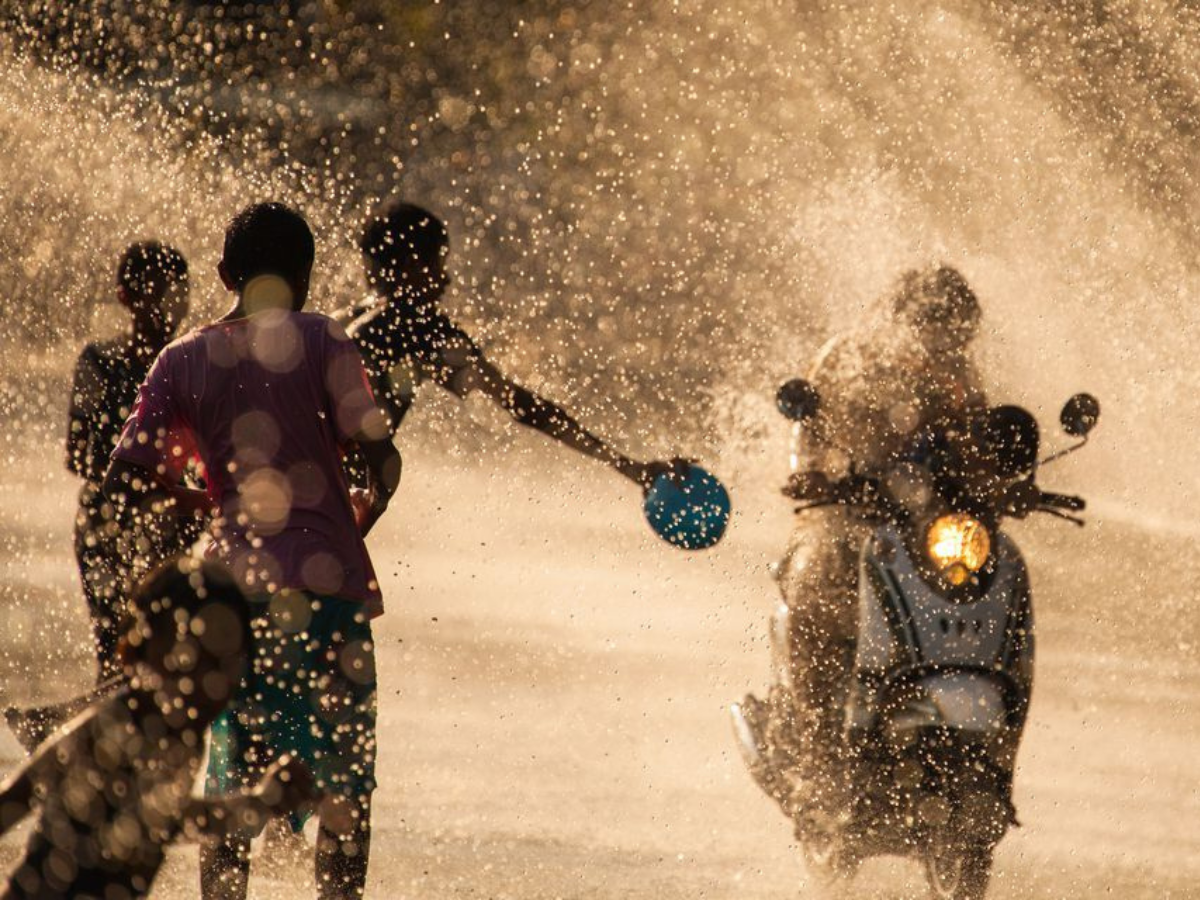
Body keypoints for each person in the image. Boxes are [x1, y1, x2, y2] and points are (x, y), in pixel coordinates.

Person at [103, 202, 400, 900]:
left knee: (235, 784)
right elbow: (384, 461)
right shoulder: (325, 340)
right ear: (305, 273)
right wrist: (359, 511)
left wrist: (205, 504)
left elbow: (124, 479)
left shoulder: (182, 360)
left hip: (236, 601)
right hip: (331, 593)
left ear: (222, 273)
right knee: (344, 789)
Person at [737, 264, 987, 816]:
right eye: (936, 323)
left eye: (956, 329)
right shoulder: (850, 357)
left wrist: (1003, 483)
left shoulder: (959, 375)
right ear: (906, 317)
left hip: (924, 530)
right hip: (843, 516)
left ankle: (974, 748)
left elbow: (978, 442)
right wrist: (810, 472)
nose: (946, 337)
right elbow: (808, 425)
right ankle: (818, 751)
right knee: (816, 592)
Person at [0, 557, 318, 900]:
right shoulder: (118, 722)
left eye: (228, 662)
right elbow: (162, 818)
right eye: (195, 659)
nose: (211, 681)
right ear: (145, 649)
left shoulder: (185, 737)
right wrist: (258, 803)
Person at [341, 202, 675, 490]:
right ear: (415, 266)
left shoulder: (334, 323)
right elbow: (522, 406)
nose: (447, 280)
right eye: (440, 265)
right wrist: (629, 466)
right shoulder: (422, 328)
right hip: (328, 499)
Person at [65, 241, 191, 684]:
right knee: (116, 647)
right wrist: (145, 479)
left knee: (173, 651)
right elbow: (78, 456)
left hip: (175, 528)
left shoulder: (194, 362)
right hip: (108, 525)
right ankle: (109, 724)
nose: (167, 306)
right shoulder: (100, 362)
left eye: (177, 293)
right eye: (154, 292)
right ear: (126, 296)